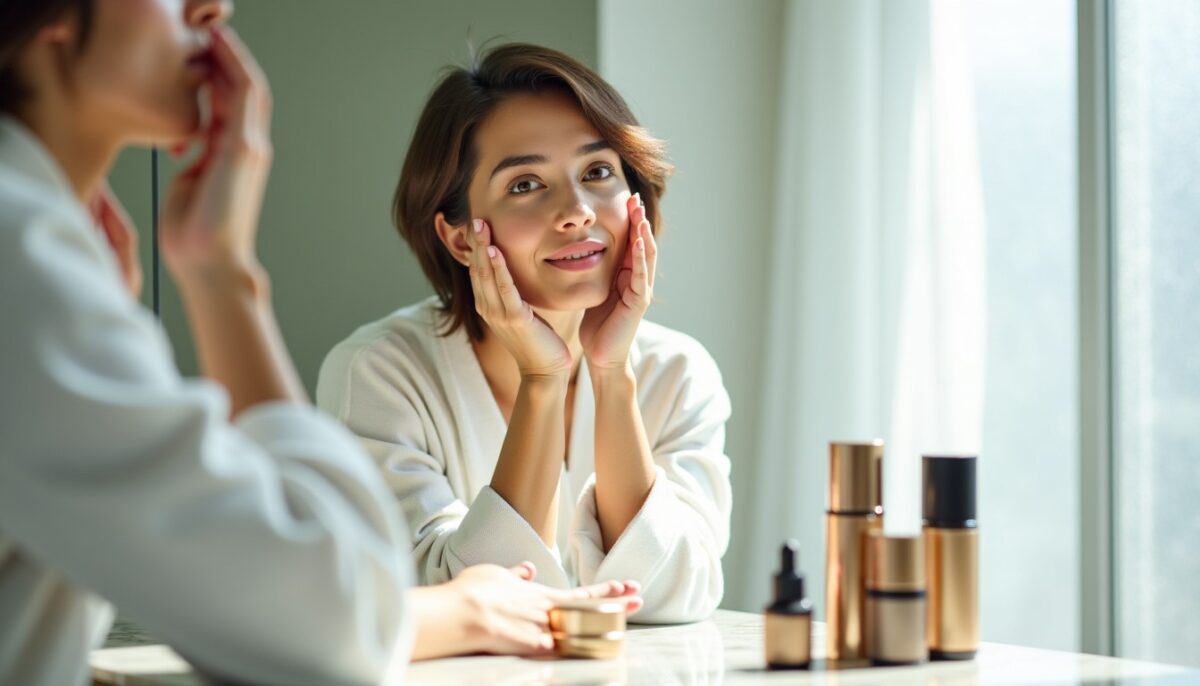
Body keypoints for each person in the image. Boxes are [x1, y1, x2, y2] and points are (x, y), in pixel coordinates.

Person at [0, 3, 637, 685]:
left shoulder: (38, 248)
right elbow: (327, 623)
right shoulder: (20, 259)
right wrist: (222, 273)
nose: (213, 7)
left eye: (599, 171)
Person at [318, 43, 732, 623]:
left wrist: (612, 376)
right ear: (461, 237)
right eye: (524, 184)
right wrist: (543, 380)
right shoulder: (379, 373)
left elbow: (673, 596)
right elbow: (437, 597)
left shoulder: (679, 372)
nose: (578, 210)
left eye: (597, 171)